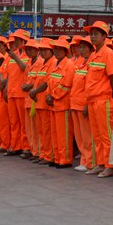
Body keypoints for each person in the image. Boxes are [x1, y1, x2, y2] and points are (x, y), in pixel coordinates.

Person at [82, 21, 113, 177]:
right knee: (97, 135)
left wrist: (112, 97)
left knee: (106, 135)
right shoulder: (93, 55)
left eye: (96, 34)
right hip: (92, 100)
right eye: (91, 34)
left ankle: (110, 166)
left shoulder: (108, 53)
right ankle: (101, 163)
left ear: (104, 36)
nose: (92, 37)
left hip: (103, 100)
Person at [46, 39, 75, 168]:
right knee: (55, 133)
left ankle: (65, 159)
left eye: (59, 49)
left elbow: (66, 85)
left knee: (64, 134)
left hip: (63, 104)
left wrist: (52, 96)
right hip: (53, 105)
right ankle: (57, 157)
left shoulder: (69, 65)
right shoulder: (54, 64)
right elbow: (49, 81)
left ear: (65, 51)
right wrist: (48, 95)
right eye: (55, 49)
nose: (56, 51)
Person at [70, 37, 95, 172]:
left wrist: (86, 104)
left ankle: (89, 161)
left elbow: (89, 86)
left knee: (86, 136)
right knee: (79, 135)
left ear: (91, 49)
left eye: (84, 47)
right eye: (80, 47)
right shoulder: (80, 63)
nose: (81, 50)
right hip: (75, 103)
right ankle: (84, 159)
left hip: (83, 104)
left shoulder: (91, 63)